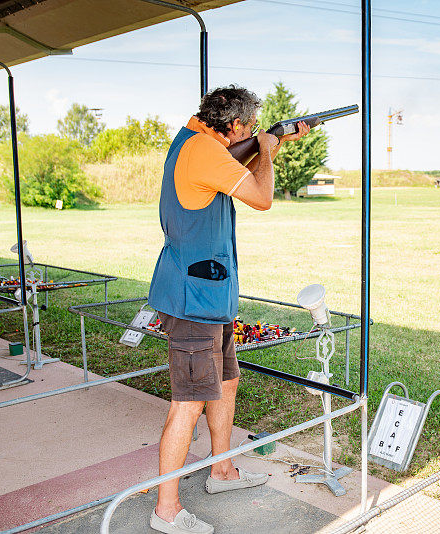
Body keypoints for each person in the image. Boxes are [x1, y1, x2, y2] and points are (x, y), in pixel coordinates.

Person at [146, 85, 310, 534]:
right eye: (251, 127)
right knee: (189, 402)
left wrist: (263, 143)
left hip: (209, 294)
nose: (254, 131)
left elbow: (236, 174)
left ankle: (220, 471)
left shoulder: (200, 144)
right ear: (234, 126)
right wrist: (269, 151)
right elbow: (261, 197)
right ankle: (166, 510)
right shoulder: (203, 151)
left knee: (227, 382)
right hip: (192, 300)